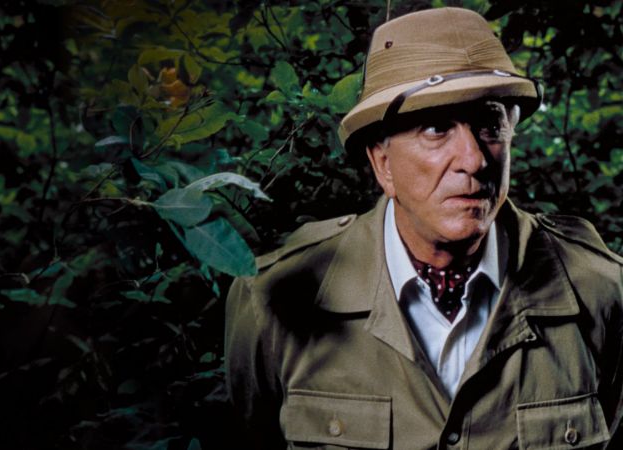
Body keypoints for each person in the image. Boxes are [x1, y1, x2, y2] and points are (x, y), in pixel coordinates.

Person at [225, 7, 623, 449]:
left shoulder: (598, 290)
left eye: (490, 124)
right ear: (383, 164)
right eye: (436, 128)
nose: (474, 160)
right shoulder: (276, 297)